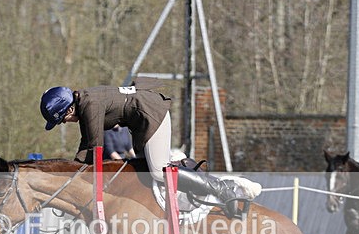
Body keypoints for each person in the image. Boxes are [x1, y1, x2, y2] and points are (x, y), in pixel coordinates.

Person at [39, 82, 242, 217]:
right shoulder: (85, 104)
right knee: (142, 172)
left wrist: (77, 180)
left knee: (158, 171)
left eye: (62, 119)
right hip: (141, 122)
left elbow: (96, 148)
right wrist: (72, 174)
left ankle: (221, 189)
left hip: (152, 115)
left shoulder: (89, 105)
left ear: (69, 109)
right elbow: (85, 149)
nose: (64, 123)